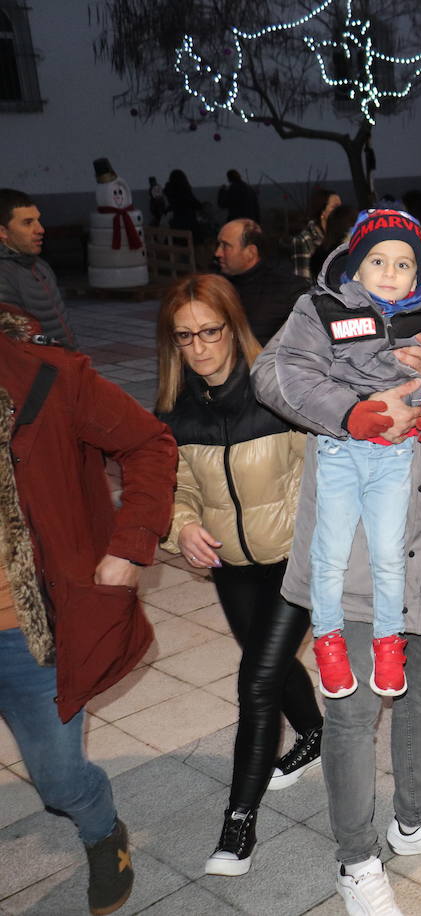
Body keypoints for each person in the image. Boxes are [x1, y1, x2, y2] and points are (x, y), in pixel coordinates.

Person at [252, 186, 421, 914]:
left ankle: (414, 818)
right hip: (357, 542)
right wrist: (353, 413)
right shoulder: (343, 297)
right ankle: (356, 861)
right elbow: (272, 374)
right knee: (351, 712)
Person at [0, 305, 177, 915]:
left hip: (26, 633)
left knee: (59, 779)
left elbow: (149, 443)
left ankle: (102, 831)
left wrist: (129, 546)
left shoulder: (45, 377)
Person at [153, 274, 324, 876]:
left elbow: (323, 472)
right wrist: (182, 528)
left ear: (233, 326)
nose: (199, 348)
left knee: (255, 685)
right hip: (231, 568)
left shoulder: (278, 390)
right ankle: (314, 735)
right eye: (184, 337)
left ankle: (238, 822)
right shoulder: (173, 410)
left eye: (210, 331)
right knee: (267, 666)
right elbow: (174, 489)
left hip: (294, 562)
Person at [273, 209, 421, 699]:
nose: (390, 273)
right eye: (378, 260)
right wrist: (349, 412)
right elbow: (293, 368)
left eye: (403, 264)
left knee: (389, 553)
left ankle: (389, 642)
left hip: (395, 454)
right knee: (330, 553)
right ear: (356, 264)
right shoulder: (323, 307)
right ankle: (327, 640)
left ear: (419, 271)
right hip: (341, 448)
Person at [0, 188, 78, 348]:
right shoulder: (3, 276)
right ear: (3, 231)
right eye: (28, 223)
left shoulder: (40, 265)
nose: (40, 229)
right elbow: (15, 341)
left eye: (38, 220)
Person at [215, 218, 310, 344]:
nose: (218, 253)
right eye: (218, 245)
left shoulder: (288, 290)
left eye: (225, 246)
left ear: (250, 252)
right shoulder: (217, 286)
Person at [292, 188, 343, 279]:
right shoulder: (304, 239)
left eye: (341, 207)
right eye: (335, 207)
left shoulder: (343, 236)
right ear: (322, 211)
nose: (340, 211)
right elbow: (303, 278)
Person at [164, 169, 204, 241]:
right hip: (189, 226)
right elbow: (196, 204)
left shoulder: (169, 191)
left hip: (176, 226)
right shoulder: (185, 190)